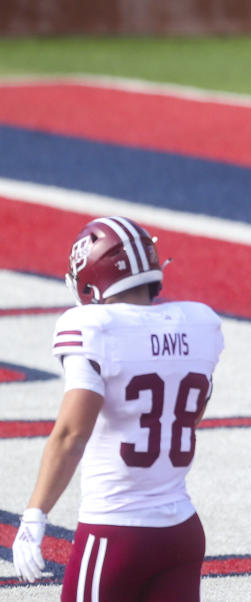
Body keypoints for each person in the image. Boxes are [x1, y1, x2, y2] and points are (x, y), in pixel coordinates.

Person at [12, 217, 224, 599]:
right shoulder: (198, 324)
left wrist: (34, 515)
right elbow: (192, 415)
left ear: (91, 280)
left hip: (115, 532)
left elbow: (72, 434)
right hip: (182, 533)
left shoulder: (96, 328)